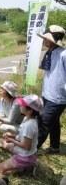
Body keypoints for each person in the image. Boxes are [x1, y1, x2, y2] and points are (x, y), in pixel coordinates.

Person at [37, 25, 66, 154]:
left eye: (46, 38)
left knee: (43, 123)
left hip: (58, 97)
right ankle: (54, 147)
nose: (44, 40)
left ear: (53, 40)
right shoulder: (50, 52)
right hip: (48, 94)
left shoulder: (64, 54)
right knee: (53, 123)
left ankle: (29, 152)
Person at [0, 95, 42, 175]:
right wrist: (12, 136)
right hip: (26, 152)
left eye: (22, 105)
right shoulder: (27, 118)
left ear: (30, 110)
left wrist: (11, 140)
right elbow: (23, 137)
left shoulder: (30, 125)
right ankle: (25, 167)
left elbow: (26, 146)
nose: (20, 105)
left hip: (25, 156)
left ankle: (26, 167)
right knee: (0, 141)